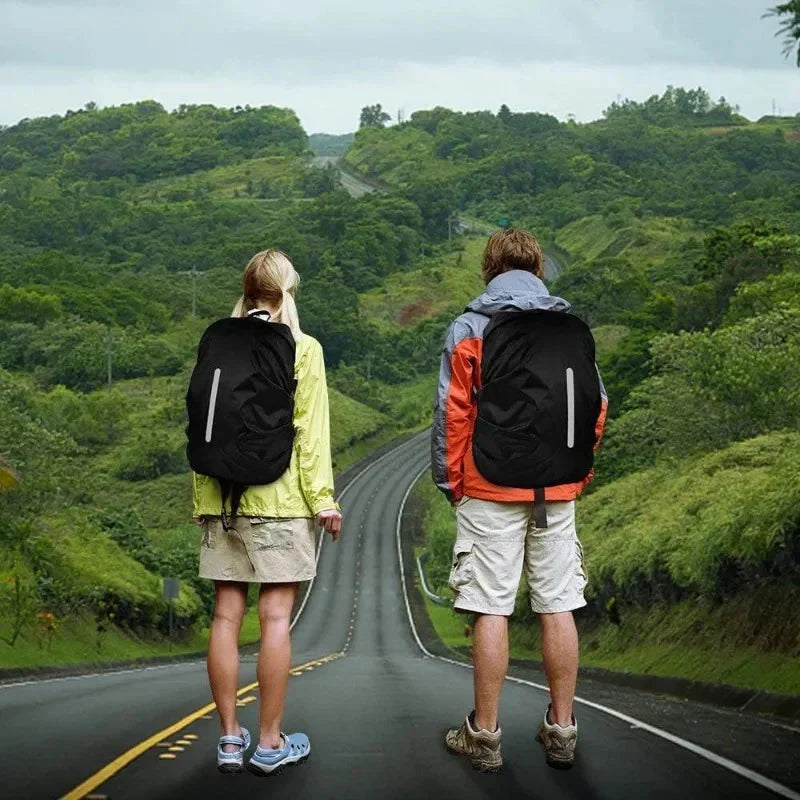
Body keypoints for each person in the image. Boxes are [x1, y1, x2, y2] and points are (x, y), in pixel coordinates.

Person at [431, 228, 608, 772]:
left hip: (490, 486)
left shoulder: (471, 326)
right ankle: (562, 730)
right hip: (558, 487)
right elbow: (597, 406)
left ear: (490, 269)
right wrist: (576, 473)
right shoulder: (571, 328)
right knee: (558, 603)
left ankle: (484, 735)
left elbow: (453, 413)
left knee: (491, 606)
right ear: (538, 269)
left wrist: (452, 483)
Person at [192, 249, 342, 775]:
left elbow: (204, 421)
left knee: (225, 617)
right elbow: (310, 433)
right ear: (287, 291)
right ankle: (271, 742)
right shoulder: (302, 348)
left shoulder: (217, 342)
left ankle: (229, 739)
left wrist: (202, 500)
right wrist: (323, 500)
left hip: (222, 499)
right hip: (280, 502)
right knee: (275, 618)